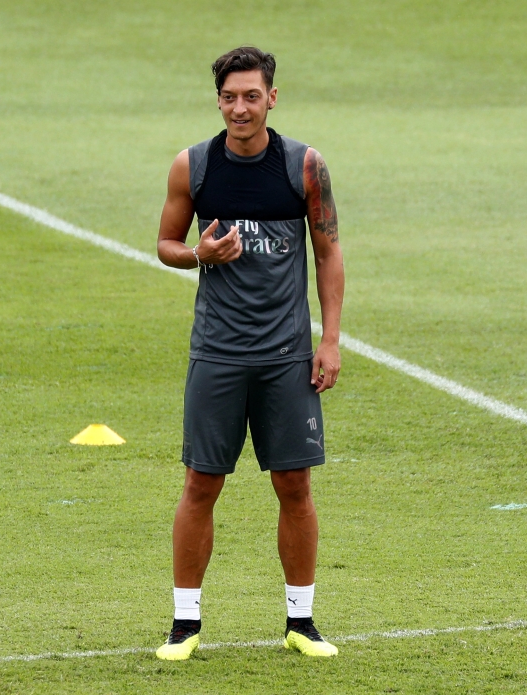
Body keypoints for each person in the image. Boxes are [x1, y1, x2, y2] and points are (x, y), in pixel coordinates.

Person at [154, 46, 344, 660]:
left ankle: (301, 622)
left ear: (272, 98)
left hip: (287, 356)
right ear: (218, 100)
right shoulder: (194, 167)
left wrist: (331, 339)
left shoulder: (303, 167)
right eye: (230, 97)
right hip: (217, 354)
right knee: (201, 484)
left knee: (294, 484)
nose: (241, 107)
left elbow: (329, 253)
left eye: (252, 96)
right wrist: (198, 256)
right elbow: (164, 244)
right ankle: (185, 627)